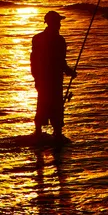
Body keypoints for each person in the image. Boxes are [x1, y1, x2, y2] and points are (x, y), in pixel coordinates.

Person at [31, 11, 77, 139]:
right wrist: (70, 72)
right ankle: (56, 135)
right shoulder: (59, 40)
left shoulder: (37, 38)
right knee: (56, 108)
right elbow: (60, 62)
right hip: (54, 81)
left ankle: (38, 134)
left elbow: (33, 61)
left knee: (42, 105)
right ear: (53, 23)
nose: (60, 25)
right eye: (58, 22)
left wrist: (37, 78)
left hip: (43, 80)